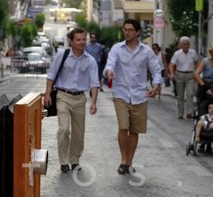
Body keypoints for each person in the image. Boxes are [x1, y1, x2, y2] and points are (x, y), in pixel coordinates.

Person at [103, 19, 162, 174]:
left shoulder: (146, 51)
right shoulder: (117, 48)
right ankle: (123, 160)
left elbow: (156, 71)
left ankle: (129, 161)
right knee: (123, 127)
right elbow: (110, 64)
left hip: (140, 95)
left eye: (130, 30)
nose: (127, 32)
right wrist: (109, 71)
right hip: (121, 93)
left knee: (134, 130)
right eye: (125, 29)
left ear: (137, 32)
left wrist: (155, 86)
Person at [44, 27, 99, 173]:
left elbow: (94, 83)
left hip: (80, 99)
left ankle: (74, 160)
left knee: (78, 133)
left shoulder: (90, 60)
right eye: (78, 40)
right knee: (63, 129)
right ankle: (63, 161)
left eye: (84, 39)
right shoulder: (62, 55)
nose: (82, 42)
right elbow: (51, 75)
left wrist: (94, 102)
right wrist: (47, 94)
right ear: (71, 41)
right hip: (63, 96)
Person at [168, 36, 199, 119]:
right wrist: (172, 74)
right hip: (180, 74)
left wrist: (197, 73)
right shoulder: (177, 53)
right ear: (181, 45)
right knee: (180, 95)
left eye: (188, 44)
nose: (186, 46)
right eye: (184, 44)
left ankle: (189, 112)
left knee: (190, 94)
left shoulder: (193, 52)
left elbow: (196, 63)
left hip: (190, 75)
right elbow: (172, 64)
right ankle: (180, 113)